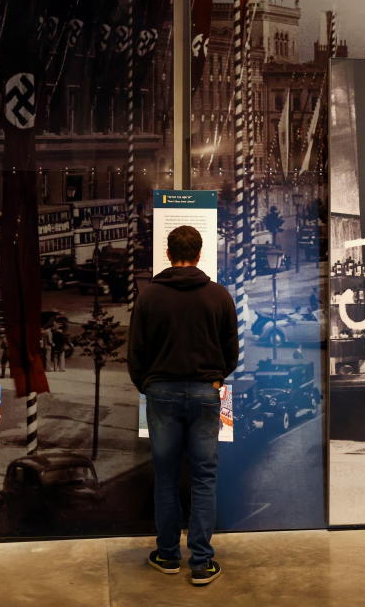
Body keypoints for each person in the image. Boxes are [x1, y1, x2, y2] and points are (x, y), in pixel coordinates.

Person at [128, 225, 238, 586]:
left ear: (168, 253)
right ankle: (203, 562)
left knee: (165, 476)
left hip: (160, 393)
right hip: (207, 393)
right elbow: (231, 351)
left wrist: (147, 384)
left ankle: (168, 555)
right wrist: (217, 377)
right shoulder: (219, 296)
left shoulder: (149, 297)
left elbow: (136, 353)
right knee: (204, 477)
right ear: (200, 253)